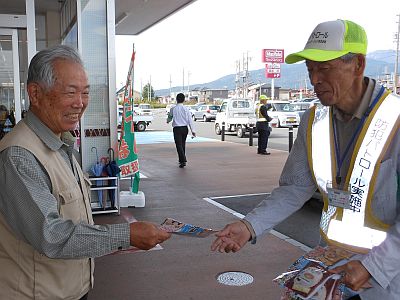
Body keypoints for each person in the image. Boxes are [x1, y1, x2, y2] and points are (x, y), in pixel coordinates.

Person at [211, 19, 399, 300]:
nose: (314, 80)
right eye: (310, 69)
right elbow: (294, 187)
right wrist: (249, 226)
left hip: (386, 277)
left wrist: (373, 266)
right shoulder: (313, 121)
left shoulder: (395, 120)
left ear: (358, 65)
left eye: (324, 68)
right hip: (331, 266)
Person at [0, 45, 171, 300]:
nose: (80, 103)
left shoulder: (62, 143)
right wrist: (128, 234)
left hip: (72, 289)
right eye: (70, 92)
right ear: (35, 94)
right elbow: (51, 235)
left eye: (86, 92)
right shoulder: (19, 155)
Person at [167, 93, 196, 168]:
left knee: (178, 145)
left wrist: (168, 121)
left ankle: (183, 160)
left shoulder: (173, 109)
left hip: (177, 129)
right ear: (184, 100)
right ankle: (182, 161)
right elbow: (190, 120)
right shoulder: (186, 109)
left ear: (176, 100)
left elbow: (169, 117)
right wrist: (193, 130)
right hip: (185, 129)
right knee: (182, 144)